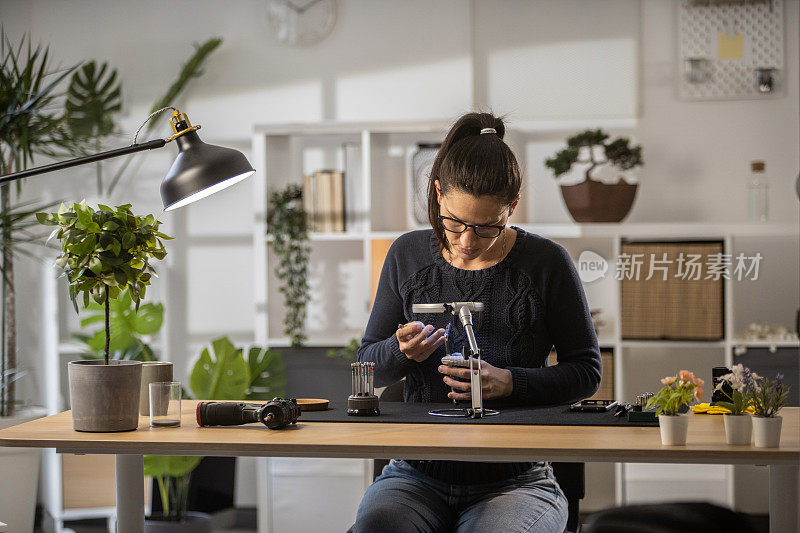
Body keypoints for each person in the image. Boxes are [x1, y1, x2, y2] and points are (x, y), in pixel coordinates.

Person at [353, 112, 602, 533]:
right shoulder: (407, 255)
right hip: (414, 475)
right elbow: (366, 365)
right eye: (453, 222)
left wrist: (511, 382)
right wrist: (401, 351)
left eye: (486, 228)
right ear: (437, 194)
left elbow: (587, 372)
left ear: (512, 208)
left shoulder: (546, 263)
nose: (466, 241)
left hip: (516, 480)